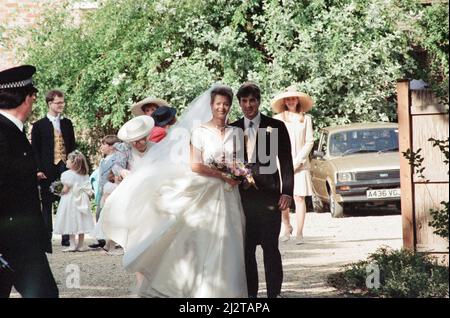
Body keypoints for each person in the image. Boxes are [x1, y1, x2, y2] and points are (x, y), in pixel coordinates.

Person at [101, 84, 247, 297]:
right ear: (211, 105)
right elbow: (195, 165)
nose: (222, 108)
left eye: (226, 104)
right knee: (209, 240)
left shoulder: (236, 132)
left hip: (230, 193)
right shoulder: (199, 131)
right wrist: (222, 174)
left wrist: (238, 173)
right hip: (210, 190)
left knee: (230, 240)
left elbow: (240, 161)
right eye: (218, 104)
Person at [230, 82, 294, 298]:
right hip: (242, 200)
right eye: (244, 101)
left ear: (259, 101)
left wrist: (287, 192)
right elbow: (228, 163)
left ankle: (273, 295)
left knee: (271, 250)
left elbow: (286, 161)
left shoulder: (274, 126)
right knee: (246, 252)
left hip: (270, 199)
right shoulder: (233, 128)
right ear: (239, 103)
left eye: (252, 101)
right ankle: (251, 297)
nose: (248, 105)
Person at [0, 65, 58, 298]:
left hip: (21, 239)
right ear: (27, 98)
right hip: (11, 240)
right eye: (33, 95)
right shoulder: (4, 134)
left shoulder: (12, 131)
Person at [31, 89, 76, 247]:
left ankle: (66, 237)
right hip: (47, 168)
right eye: (58, 103)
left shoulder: (67, 123)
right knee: (47, 202)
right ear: (50, 103)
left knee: (67, 200)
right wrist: (37, 169)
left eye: (62, 102)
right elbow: (34, 149)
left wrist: (74, 167)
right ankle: (46, 237)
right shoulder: (38, 125)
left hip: (65, 166)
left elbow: (72, 146)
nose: (61, 105)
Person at [271, 86, 314, 244]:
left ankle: (300, 232)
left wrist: (299, 160)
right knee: (284, 197)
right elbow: (273, 141)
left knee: (299, 197)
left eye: (293, 98)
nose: (290, 101)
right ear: (284, 101)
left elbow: (309, 141)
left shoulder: (306, 118)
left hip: (300, 163)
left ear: (298, 100)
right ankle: (287, 226)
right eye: (288, 99)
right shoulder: (277, 118)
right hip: (282, 163)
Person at [53, 150, 94, 252]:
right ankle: (81, 245)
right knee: (81, 220)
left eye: (68, 160)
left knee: (70, 220)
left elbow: (65, 190)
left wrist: (58, 192)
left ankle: (72, 244)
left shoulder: (67, 174)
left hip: (70, 200)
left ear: (74, 163)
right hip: (82, 198)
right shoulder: (84, 174)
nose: (66, 161)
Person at [89, 135, 121, 249]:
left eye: (104, 144)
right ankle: (101, 238)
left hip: (112, 189)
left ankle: (113, 240)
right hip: (102, 190)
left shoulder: (117, 158)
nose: (101, 146)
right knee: (99, 213)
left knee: (111, 215)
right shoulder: (103, 160)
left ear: (112, 147)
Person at [111, 115, 155, 180]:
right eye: (133, 141)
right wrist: (122, 171)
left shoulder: (155, 147)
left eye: (140, 140)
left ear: (146, 137)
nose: (136, 144)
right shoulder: (125, 148)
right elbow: (116, 166)